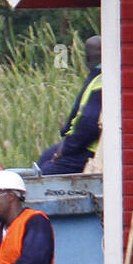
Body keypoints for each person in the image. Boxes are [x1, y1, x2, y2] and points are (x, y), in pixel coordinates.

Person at [37, 35, 102, 175]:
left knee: (46, 172)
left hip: (92, 149)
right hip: (83, 144)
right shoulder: (97, 77)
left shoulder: (101, 81)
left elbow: (89, 126)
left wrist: (66, 148)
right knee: (46, 157)